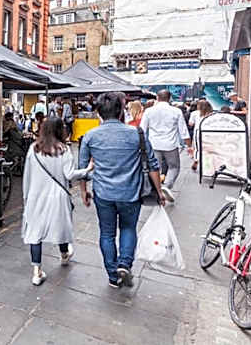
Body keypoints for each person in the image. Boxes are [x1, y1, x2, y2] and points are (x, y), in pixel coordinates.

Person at [79, 92, 165, 288]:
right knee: (128, 228)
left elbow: (82, 167)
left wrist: (83, 191)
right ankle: (125, 263)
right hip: (131, 193)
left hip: (103, 193)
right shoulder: (136, 134)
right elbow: (153, 165)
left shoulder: (90, 136)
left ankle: (112, 275)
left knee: (107, 233)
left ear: (99, 112)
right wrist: (159, 192)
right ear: (120, 111)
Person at [23, 116, 93, 285]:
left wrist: (26, 198)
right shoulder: (64, 150)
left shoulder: (33, 149)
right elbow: (70, 175)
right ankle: (64, 255)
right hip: (58, 197)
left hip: (36, 195)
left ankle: (36, 272)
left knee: (35, 233)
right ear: (59, 130)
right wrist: (87, 170)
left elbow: (27, 176)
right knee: (61, 227)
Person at [139, 89, 189, 203]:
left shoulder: (149, 111)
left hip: (154, 144)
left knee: (155, 168)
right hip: (170, 144)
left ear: (157, 98)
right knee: (174, 167)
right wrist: (189, 146)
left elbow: (142, 129)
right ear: (170, 98)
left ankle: (158, 189)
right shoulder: (176, 111)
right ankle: (167, 185)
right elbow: (183, 130)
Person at [191, 100, 214, 172]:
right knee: (207, 148)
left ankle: (196, 160)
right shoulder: (211, 114)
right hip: (209, 132)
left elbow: (190, 123)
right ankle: (207, 163)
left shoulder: (194, 113)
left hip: (198, 131)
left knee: (197, 148)